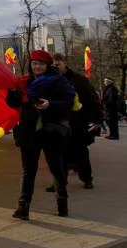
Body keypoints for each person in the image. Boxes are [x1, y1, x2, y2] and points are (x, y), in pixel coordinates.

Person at [8, 50, 75, 220]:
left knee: (56, 168)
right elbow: (13, 103)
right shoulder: (24, 82)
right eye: (34, 63)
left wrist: (50, 105)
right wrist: (12, 91)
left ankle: (62, 204)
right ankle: (23, 208)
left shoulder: (58, 81)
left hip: (50, 131)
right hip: (29, 131)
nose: (37, 67)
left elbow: (69, 102)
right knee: (28, 171)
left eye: (41, 64)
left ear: (47, 66)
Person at [47, 54, 102, 190]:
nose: (55, 67)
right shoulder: (49, 80)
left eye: (57, 64)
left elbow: (92, 101)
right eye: (53, 65)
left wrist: (96, 119)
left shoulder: (79, 80)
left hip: (77, 123)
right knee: (59, 155)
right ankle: (59, 181)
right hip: (58, 123)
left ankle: (87, 178)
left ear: (64, 63)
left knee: (81, 153)